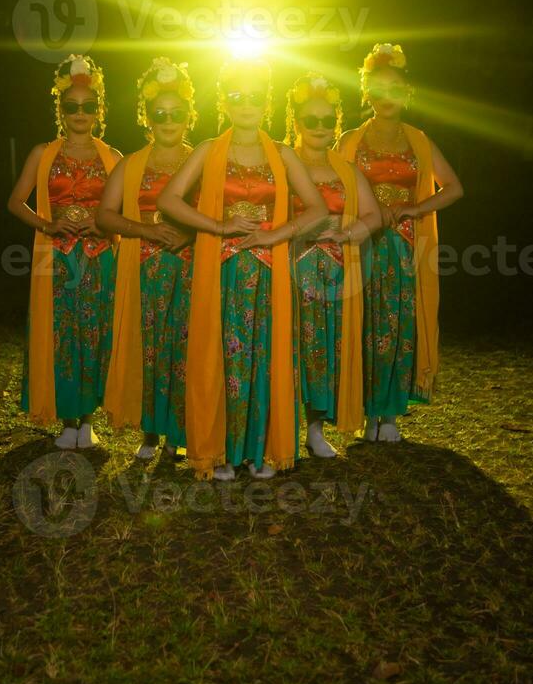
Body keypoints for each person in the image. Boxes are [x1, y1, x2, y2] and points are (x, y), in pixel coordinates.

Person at [158, 58, 327, 481]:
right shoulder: (208, 150)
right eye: (238, 96)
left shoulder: (284, 154)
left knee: (265, 355)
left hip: (271, 273)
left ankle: (260, 451)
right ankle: (221, 451)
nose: (247, 103)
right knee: (221, 355)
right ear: (226, 103)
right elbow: (169, 201)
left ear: (266, 103)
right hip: (221, 270)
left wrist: (277, 234)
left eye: (255, 96)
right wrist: (217, 225)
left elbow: (319, 210)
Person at [339, 43, 463, 442]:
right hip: (363, 245)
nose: (387, 97)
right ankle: (364, 410)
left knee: (396, 326)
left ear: (406, 93)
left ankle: (389, 413)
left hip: (406, 248)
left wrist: (413, 210)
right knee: (364, 323)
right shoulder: (350, 140)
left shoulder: (420, 141)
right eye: (379, 88)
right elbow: (334, 190)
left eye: (395, 88)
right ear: (367, 93)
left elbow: (454, 188)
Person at [8, 54, 122, 448]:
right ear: (60, 109)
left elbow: (123, 212)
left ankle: (88, 419)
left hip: (99, 259)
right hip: (55, 259)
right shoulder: (43, 153)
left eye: (88, 106)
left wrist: (102, 222)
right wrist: (47, 224)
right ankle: (67, 419)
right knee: (60, 336)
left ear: (99, 110)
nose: (80, 113)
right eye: (71, 106)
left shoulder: (114, 158)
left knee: (95, 334)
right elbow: (15, 202)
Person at [97, 58, 196, 459]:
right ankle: (150, 433)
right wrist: (146, 230)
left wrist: (191, 231)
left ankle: (180, 433)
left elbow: (220, 212)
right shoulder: (131, 163)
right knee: (149, 350)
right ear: (147, 118)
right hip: (145, 273)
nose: (167, 120)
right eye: (159, 113)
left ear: (189, 117)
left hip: (192, 270)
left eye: (176, 113)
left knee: (184, 350)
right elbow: (105, 215)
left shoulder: (201, 160)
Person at [285, 73, 381, 456]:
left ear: (336, 124)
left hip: (336, 276)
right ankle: (280, 427)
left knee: (325, 347)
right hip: (289, 272)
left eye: (328, 121)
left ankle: (314, 429)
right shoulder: (282, 164)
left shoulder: (346, 170)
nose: (320, 128)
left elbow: (374, 215)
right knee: (289, 346)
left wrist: (352, 228)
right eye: (312, 120)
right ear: (297, 123)